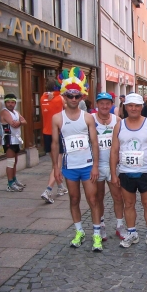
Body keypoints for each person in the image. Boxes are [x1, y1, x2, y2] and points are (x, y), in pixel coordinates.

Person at [51, 67, 102, 251]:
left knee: (93, 199)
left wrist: (95, 165)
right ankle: (79, 231)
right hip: (69, 167)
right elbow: (55, 145)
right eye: (70, 95)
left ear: (82, 97)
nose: (73, 99)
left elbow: (94, 143)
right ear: (64, 96)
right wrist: (56, 169)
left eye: (77, 96)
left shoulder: (87, 117)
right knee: (74, 199)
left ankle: (96, 234)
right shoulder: (57, 118)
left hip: (87, 166)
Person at [110, 93, 147, 250]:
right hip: (126, 171)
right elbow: (114, 150)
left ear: (141, 107)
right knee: (129, 204)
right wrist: (113, 174)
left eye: (137, 106)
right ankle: (132, 232)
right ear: (126, 107)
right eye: (130, 105)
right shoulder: (119, 125)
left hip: (145, 171)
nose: (133, 108)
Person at [91, 92, 127, 241]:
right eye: (101, 103)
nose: (105, 106)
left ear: (111, 105)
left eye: (107, 103)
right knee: (98, 197)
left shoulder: (117, 120)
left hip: (114, 165)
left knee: (118, 197)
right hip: (97, 165)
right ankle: (101, 226)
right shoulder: (90, 119)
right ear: (97, 105)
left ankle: (120, 226)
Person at [40, 80, 68, 203]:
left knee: (54, 164)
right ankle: (48, 190)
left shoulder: (42, 98)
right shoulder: (61, 99)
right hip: (58, 133)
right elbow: (69, 108)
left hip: (46, 132)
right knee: (57, 164)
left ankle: (60, 187)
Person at [0, 93, 27, 192]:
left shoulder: (16, 112)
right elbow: (13, 124)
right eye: (8, 102)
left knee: (15, 161)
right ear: (5, 103)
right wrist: (20, 122)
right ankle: (10, 183)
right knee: (10, 162)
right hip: (9, 139)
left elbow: (24, 121)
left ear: (15, 103)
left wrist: (20, 122)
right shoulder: (4, 112)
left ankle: (14, 180)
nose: (10, 104)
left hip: (16, 139)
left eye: (12, 102)